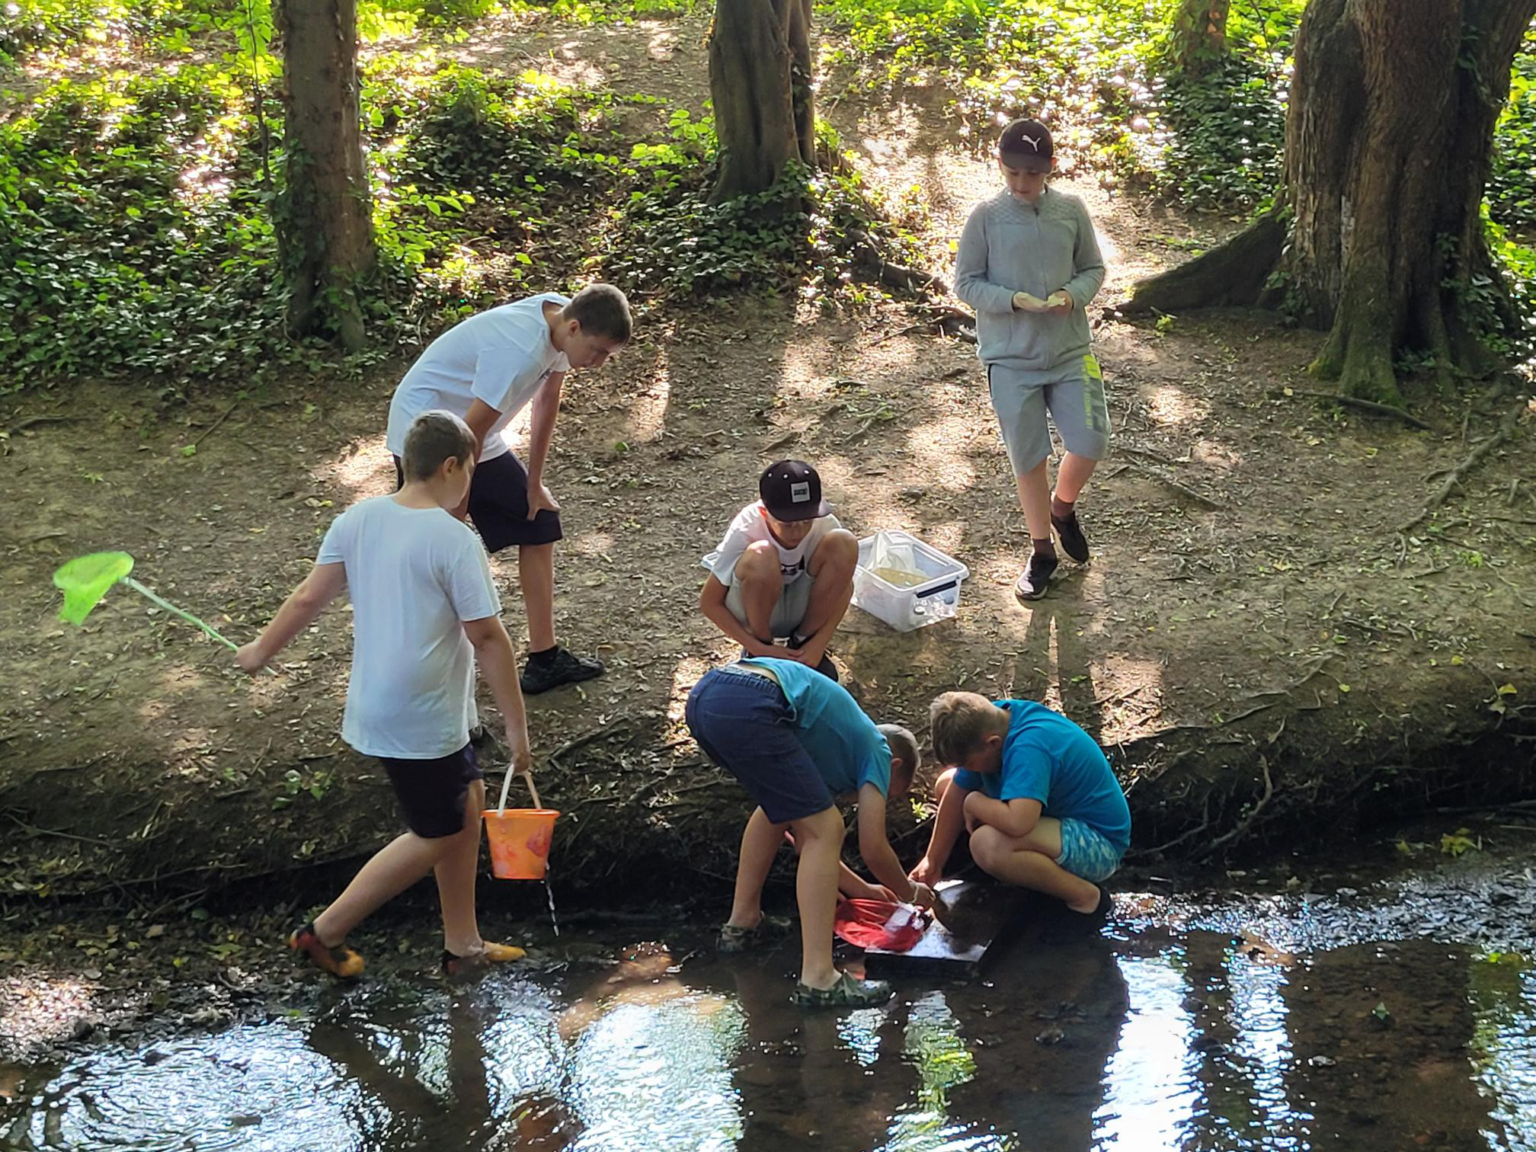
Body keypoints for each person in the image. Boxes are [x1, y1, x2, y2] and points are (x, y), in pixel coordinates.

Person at [237, 410, 533, 978]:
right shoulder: (454, 539)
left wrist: (260, 651)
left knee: (466, 809)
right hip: (421, 717)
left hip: (389, 706)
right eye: (471, 469)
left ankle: (462, 943)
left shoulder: (359, 519)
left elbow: (307, 597)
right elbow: (489, 638)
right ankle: (322, 933)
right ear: (452, 466)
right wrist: (518, 729)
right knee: (434, 833)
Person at [384, 284, 632, 694]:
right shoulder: (518, 350)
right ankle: (421, 674)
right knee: (435, 554)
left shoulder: (559, 320)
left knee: (539, 522)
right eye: (599, 351)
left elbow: (546, 401)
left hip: (472, 430)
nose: (600, 362)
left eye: (609, 355)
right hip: (426, 433)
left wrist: (534, 484)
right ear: (574, 328)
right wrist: (455, 512)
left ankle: (544, 659)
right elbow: (470, 433)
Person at [685, 656, 935, 1008]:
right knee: (828, 824)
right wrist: (907, 891)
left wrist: (862, 890)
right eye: (883, 792)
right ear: (893, 767)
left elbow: (803, 837)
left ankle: (742, 923)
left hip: (706, 698)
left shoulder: (824, 748)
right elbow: (873, 848)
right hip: (750, 698)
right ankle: (819, 978)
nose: (871, 798)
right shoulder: (876, 748)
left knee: (778, 813)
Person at [955, 118, 1109, 602]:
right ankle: (1042, 550)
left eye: (1034, 174)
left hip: (1070, 352)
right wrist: (1014, 300)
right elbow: (966, 283)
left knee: (1091, 439)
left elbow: (1093, 268)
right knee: (1029, 456)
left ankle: (1063, 508)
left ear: (1050, 169)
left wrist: (1072, 294)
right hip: (1010, 358)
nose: (1024, 183)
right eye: (1015, 172)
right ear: (1000, 164)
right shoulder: (985, 216)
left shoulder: (1070, 209)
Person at [910, 692, 1128, 920]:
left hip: (1098, 845)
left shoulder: (1029, 748)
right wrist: (932, 861)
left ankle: (1084, 897)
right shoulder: (991, 720)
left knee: (986, 845)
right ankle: (1025, 868)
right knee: (947, 785)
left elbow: (1019, 823)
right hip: (1052, 821)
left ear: (992, 743)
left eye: (969, 764)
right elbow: (957, 790)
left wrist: (974, 802)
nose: (969, 770)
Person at [698, 460, 857, 681]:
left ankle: (801, 643)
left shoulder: (825, 525)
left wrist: (818, 643)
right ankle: (760, 654)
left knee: (845, 542)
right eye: (788, 524)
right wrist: (758, 646)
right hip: (755, 611)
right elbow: (710, 602)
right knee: (761, 555)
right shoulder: (746, 527)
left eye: (806, 521)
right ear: (764, 512)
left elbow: (845, 588)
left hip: (803, 607)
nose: (798, 531)